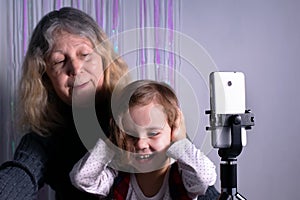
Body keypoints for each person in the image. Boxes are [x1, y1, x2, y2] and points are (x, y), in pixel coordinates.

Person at [0, 7, 128, 200]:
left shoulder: (137, 111)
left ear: (104, 60)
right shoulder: (45, 138)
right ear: (45, 78)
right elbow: (20, 175)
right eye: (59, 61)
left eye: (84, 55)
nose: (75, 68)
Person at [70, 80, 217, 200]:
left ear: (173, 129)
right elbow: (82, 179)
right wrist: (111, 143)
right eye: (130, 135)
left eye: (153, 133)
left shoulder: (185, 176)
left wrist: (180, 140)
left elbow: (204, 179)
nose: (141, 144)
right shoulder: (115, 176)